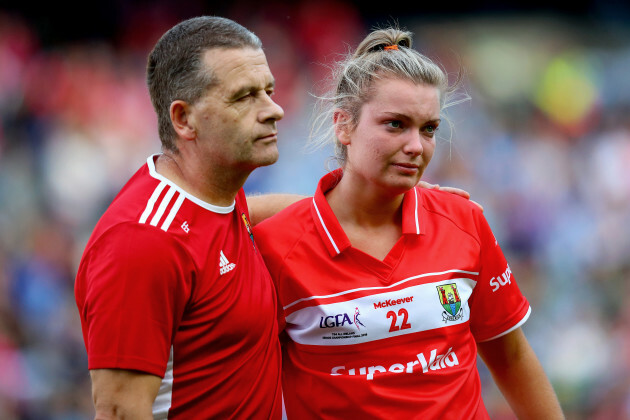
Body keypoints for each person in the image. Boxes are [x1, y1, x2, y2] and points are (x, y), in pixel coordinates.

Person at [253, 28, 565, 419]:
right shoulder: (274, 246)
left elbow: (512, 357)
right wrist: (305, 211)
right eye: (396, 124)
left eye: (429, 128)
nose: (417, 146)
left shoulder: (464, 220)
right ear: (343, 125)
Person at [74, 16, 285, 419]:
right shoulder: (142, 242)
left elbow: (246, 214)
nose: (273, 109)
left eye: (269, 91)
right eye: (244, 97)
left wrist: (390, 201)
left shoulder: (218, 195)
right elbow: (120, 412)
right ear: (183, 119)